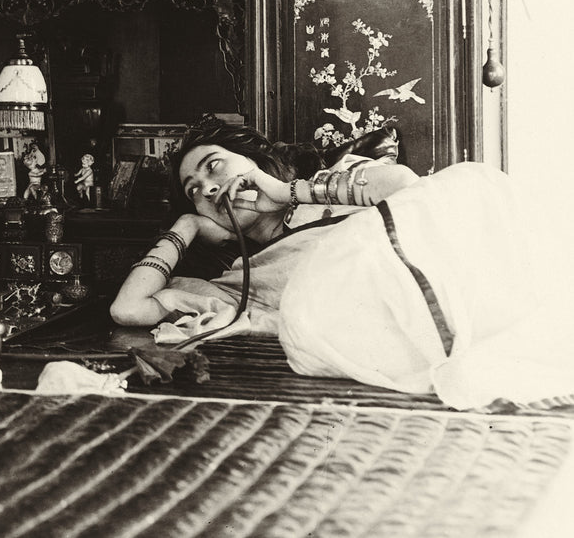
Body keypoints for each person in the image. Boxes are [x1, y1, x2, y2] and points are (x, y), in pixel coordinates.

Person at [109, 119, 574, 410]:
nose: (208, 188)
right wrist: (186, 226)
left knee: (474, 180)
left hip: (447, 287)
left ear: (254, 163)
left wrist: (287, 191)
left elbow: (408, 188)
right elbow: (128, 309)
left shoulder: (328, 188)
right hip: (372, 330)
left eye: (214, 167)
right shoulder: (234, 283)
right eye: (194, 189)